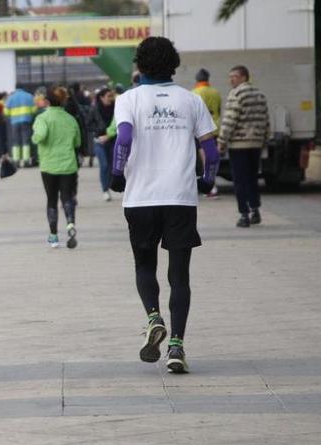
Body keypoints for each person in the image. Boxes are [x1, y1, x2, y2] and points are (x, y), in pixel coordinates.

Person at [109, 36, 218, 374]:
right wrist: (209, 180)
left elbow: (124, 138)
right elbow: (211, 150)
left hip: (141, 197)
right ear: (174, 64)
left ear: (139, 66)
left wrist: (117, 173)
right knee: (180, 275)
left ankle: (154, 317)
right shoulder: (191, 100)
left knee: (144, 265)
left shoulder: (128, 99)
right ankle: (177, 347)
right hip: (180, 197)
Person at [218, 65, 270, 227]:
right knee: (252, 178)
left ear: (243, 77)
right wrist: (264, 140)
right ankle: (255, 210)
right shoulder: (260, 95)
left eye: (234, 76)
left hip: (239, 145)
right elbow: (266, 120)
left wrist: (222, 141)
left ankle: (244, 215)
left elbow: (229, 120)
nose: (230, 80)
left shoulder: (237, 94)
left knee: (240, 180)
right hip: (255, 144)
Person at [32, 87, 81, 249]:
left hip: (49, 165)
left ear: (47, 101)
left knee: (51, 200)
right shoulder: (70, 119)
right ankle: (70, 223)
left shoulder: (42, 118)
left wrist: (35, 137)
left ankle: (53, 236)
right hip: (68, 164)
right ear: (63, 101)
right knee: (67, 197)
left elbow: (40, 136)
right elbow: (77, 143)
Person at [193, 68, 222, 198]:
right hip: (215, 128)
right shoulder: (216, 92)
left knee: (205, 159)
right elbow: (219, 109)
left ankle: (211, 186)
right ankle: (212, 185)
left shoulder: (195, 93)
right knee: (212, 156)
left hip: (202, 131)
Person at [87, 88, 116, 200]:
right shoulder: (95, 109)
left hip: (112, 140)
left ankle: (108, 184)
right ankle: (105, 190)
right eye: (108, 96)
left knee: (111, 165)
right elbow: (88, 124)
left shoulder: (116, 108)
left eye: (111, 96)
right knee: (103, 165)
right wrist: (97, 131)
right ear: (102, 97)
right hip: (99, 141)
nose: (110, 98)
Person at [4, 85, 36, 168]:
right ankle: (26, 161)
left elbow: (6, 111)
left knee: (15, 141)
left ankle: (16, 161)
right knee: (26, 141)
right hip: (26, 121)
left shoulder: (11, 97)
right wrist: (29, 115)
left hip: (14, 122)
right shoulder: (29, 96)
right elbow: (34, 110)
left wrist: (11, 116)